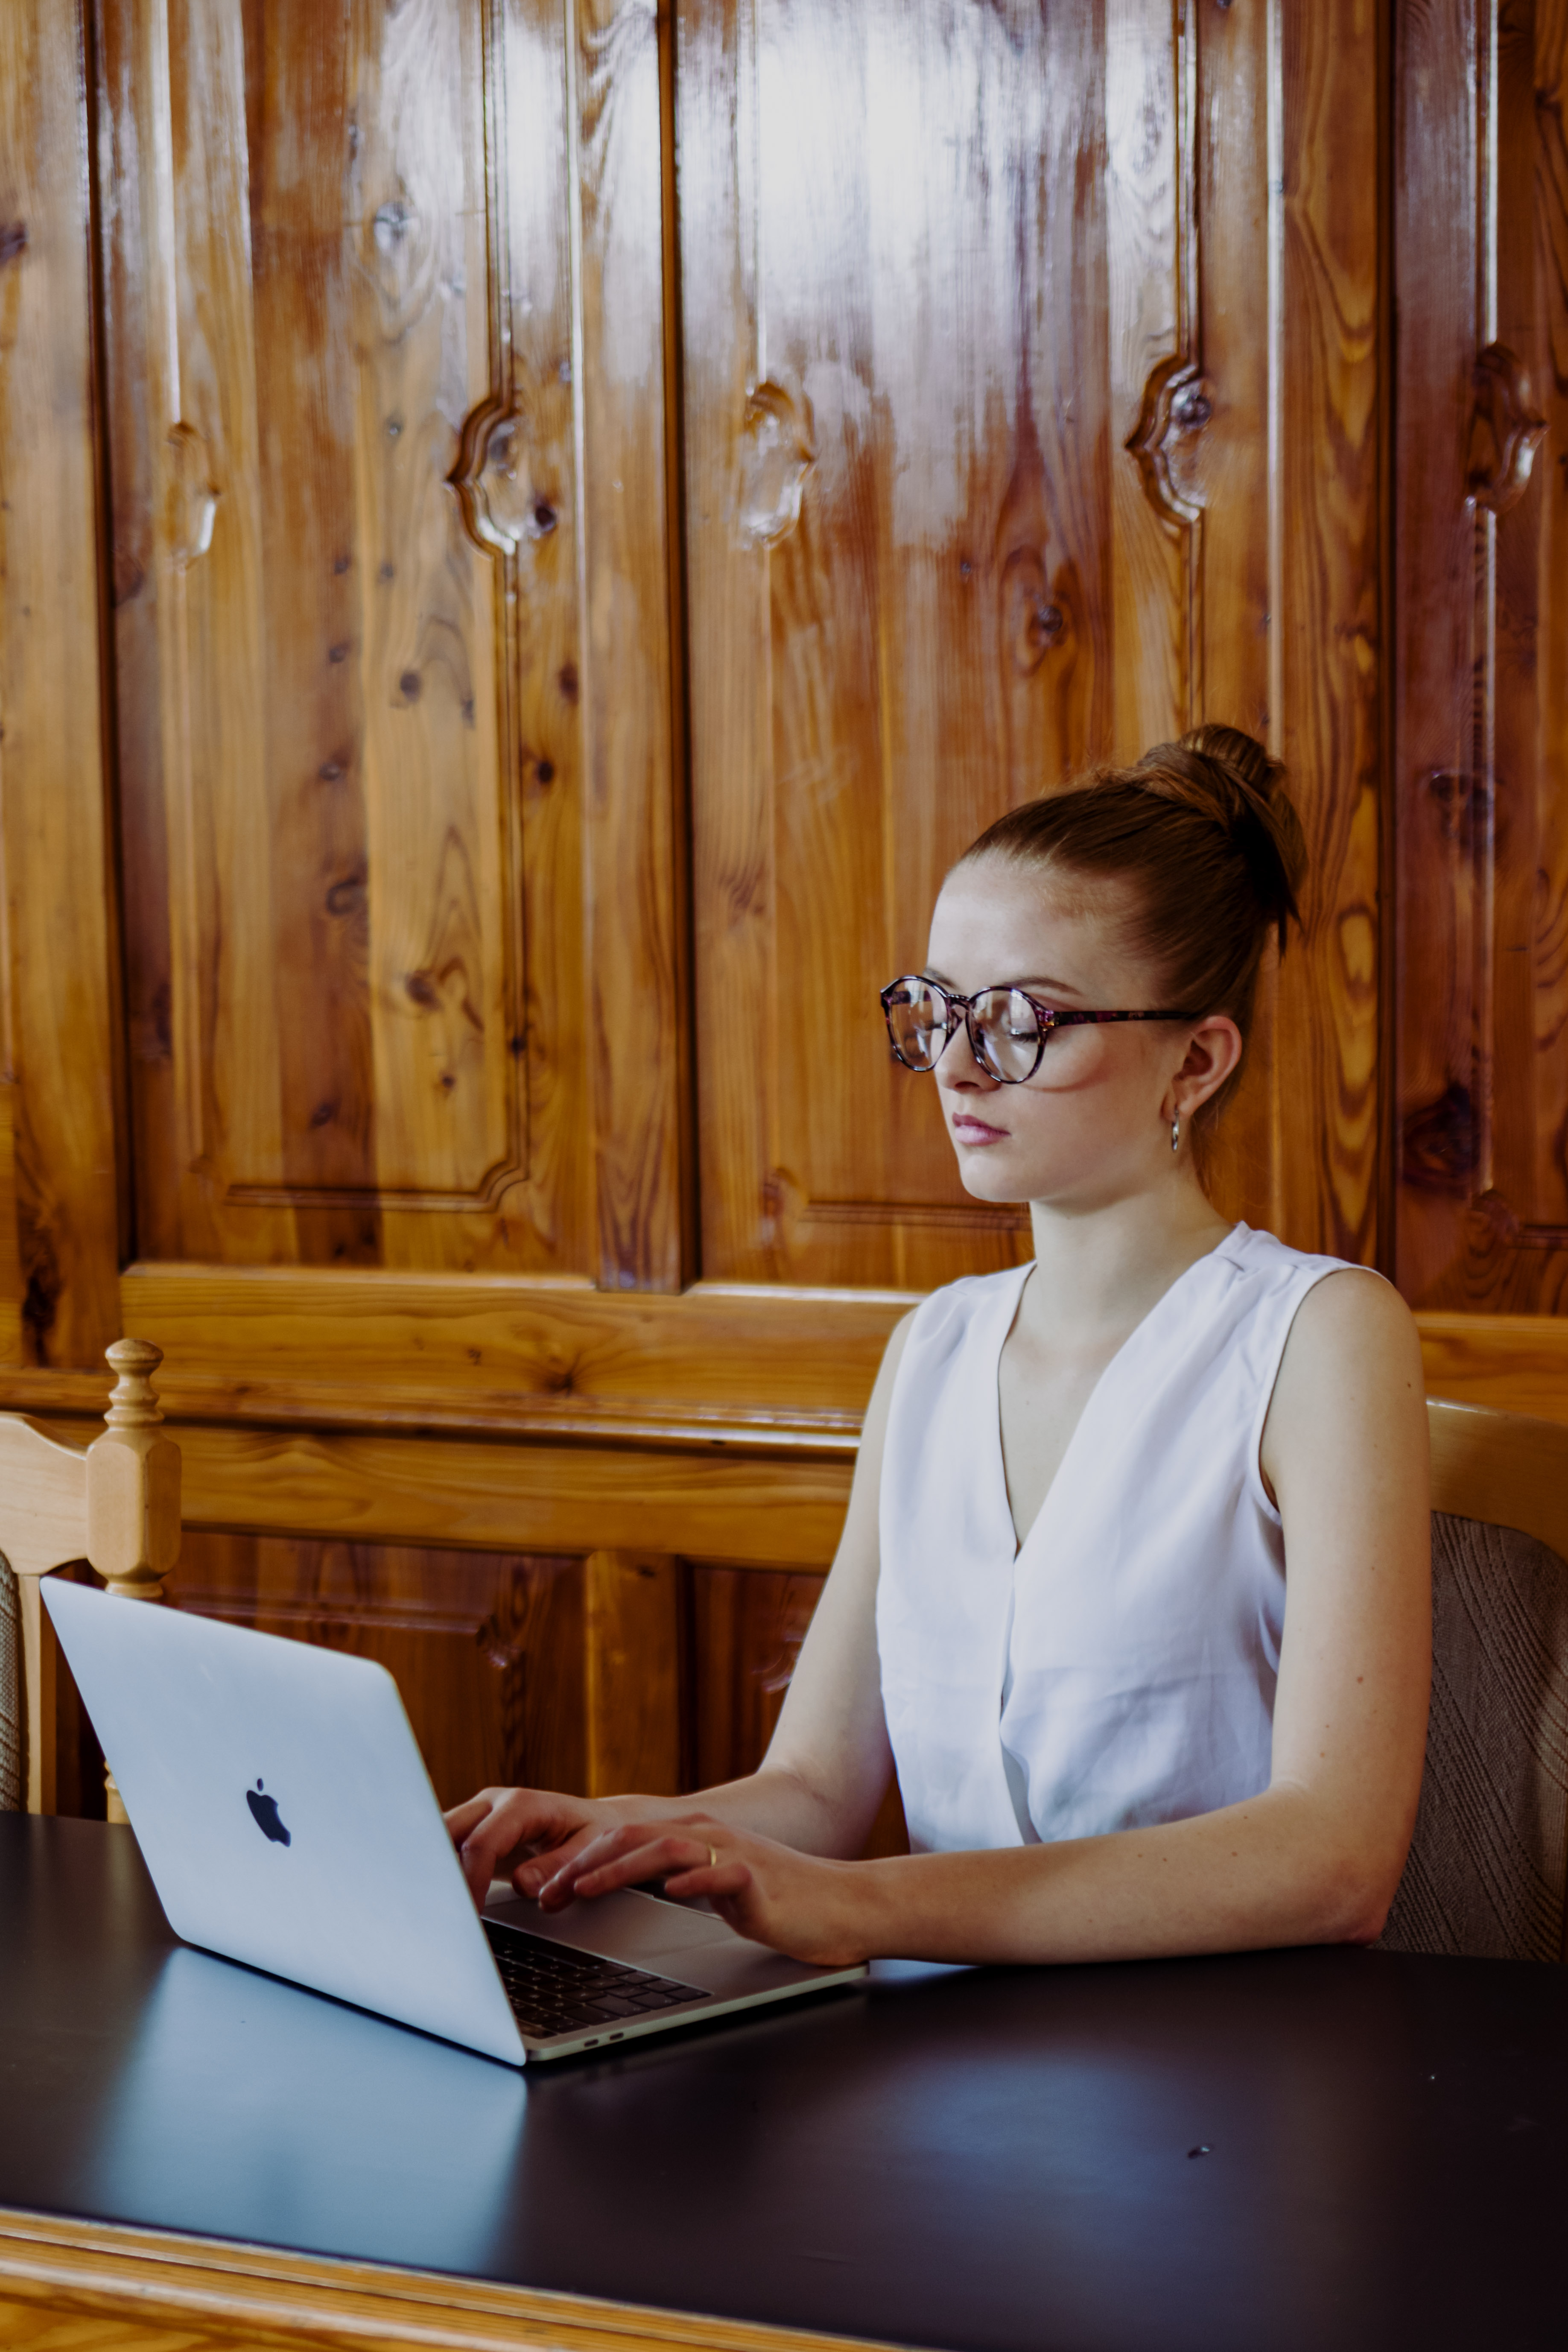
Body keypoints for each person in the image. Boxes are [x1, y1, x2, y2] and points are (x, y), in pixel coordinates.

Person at [446, 727, 1431, 1968]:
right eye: (937, 1008)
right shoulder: (935, 1347)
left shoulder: (1322, 1334)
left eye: (1024, 1019)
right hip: (945, 2054)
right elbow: (812, 1787)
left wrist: (862, 1908)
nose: (959, 1064)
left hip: (1221, 2076)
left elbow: (1332, 1858)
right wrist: (607, 1832)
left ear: (1195, 1060)